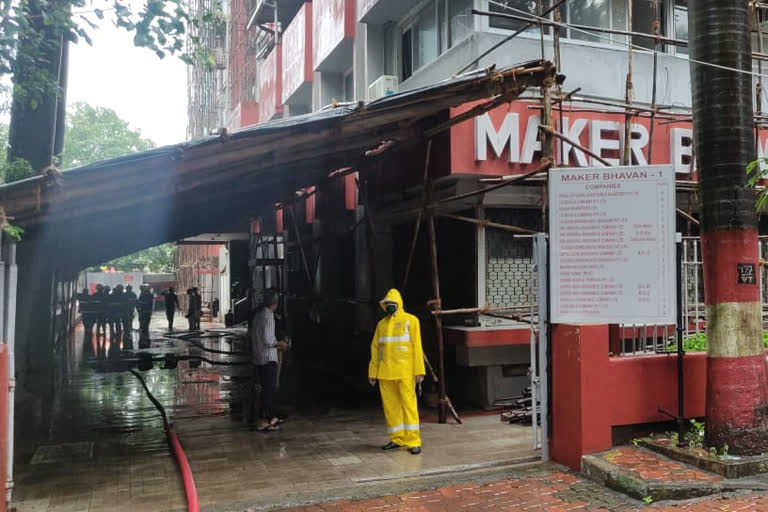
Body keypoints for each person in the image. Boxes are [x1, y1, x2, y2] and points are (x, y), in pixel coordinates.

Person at [368, 289, 425, 455]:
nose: (389, 307)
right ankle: (397, 438)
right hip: (385, 373)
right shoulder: (381, 325)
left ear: (399, 304)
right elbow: (376, 349)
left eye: (392, 304)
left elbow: (417, 347)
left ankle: (413, 441)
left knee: (409, 406)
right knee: (390, 407)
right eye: (386, 304)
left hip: (405, 372)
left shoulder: (411, 321)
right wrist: (373, 372)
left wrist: (419, 371)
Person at [249, 289, 288, 431]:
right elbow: (268, 339)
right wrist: (280, 344)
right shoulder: (268, 315)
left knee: (263, 390)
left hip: (258, 358)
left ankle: (269, 417)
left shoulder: (257, 315)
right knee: (268, 391)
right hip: (268, 359)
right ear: (276, 303)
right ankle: (264, 421)